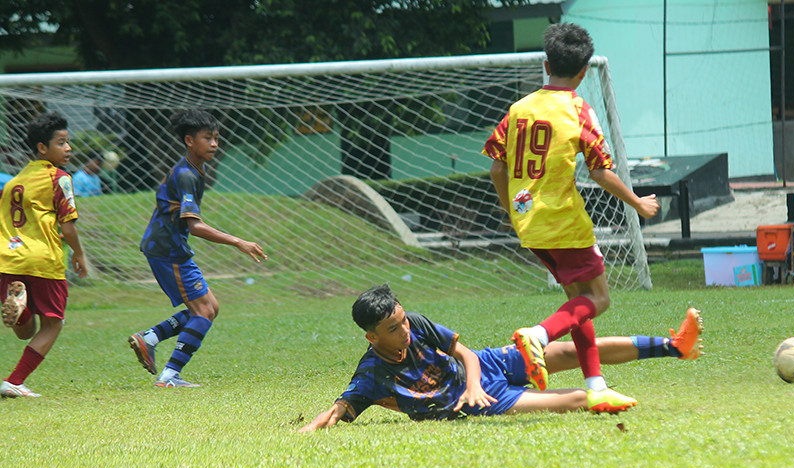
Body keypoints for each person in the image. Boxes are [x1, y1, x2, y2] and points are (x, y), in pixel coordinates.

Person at [483, 22, 670, 415]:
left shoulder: (519, 109)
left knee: (577, 302)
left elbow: (497, 170)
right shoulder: (577, 110)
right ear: (584, 72)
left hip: (529, 225)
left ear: (546, 64)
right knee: (597, 299)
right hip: (565, 223)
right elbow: (601, 172)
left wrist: (509, 209)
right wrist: (637, 203)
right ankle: (538, 335)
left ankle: (596, 386)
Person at [298, 284, 702, 432]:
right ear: (371, 337)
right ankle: (597, 398)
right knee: (570, 401)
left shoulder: (415, 323)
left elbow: (464, 352)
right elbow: (342, 407)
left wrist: (473, 381)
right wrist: (318, 423)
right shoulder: (372, 374)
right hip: (474, 405)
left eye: (403, 321)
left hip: (484, 370)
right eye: (393, 330)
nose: (404, 331)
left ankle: (674, 347)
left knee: (567, 351)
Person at [127, 109, 267, 388]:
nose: (214, 144)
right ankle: (169, 377)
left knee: (209, 308)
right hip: (168, 249)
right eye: (208, 138)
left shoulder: (191, 169)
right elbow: (195, 226)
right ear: (190, 141)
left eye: (216, 138)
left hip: (167, 246)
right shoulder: (187, 175)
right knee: (203, 311)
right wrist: (238, 241)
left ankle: (150, 338)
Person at [0, 112, 88, 398]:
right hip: (43, 260)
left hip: (9, 259)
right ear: (42, 147)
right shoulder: (60, 178)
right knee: (54, 322)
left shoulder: (15, 181)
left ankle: (21, 308)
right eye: (61, 142)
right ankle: (14, 381)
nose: (68, 148)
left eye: (68, 142)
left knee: (27, 329)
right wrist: (79, 254)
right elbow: (68, 225)